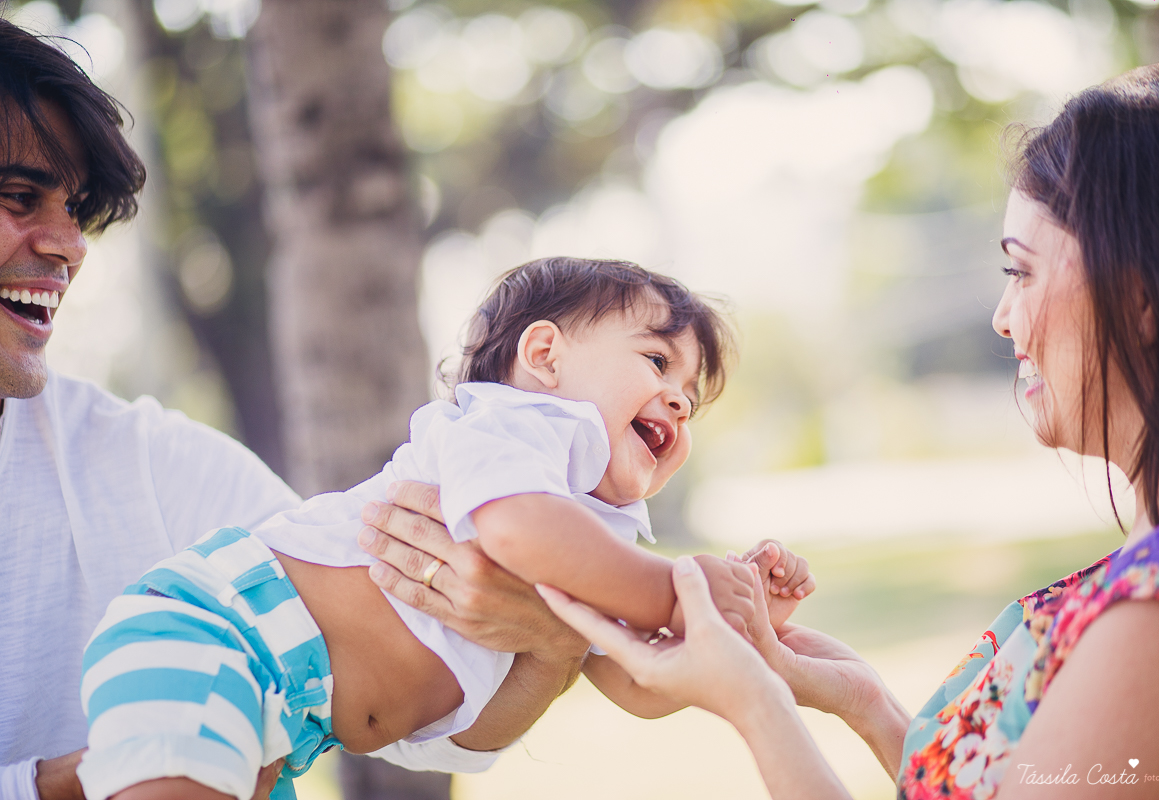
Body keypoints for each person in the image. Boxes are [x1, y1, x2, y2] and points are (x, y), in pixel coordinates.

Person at [531, 61, 1159, 798]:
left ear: (1139, 293)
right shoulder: (1156, 572)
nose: (1003, 318)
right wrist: (863, 699)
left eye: (1022, 273)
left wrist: (752, 700)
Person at [0, 19, 590, 800]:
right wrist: (84, 776)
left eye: (75, 207)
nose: (69, 244)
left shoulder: (145, 460)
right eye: (18, 196)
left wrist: (552, 648)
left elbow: (391, 702)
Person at [77, 257, 814, 800]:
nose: (679, 402)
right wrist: (682, 589)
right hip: (218, 636)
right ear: (545, 357)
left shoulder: (600, 540)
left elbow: (639, 683)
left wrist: (741, 626)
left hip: (288, 726)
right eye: (658, 362)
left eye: (691, 396)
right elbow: (519, 530)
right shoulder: (512, 426)